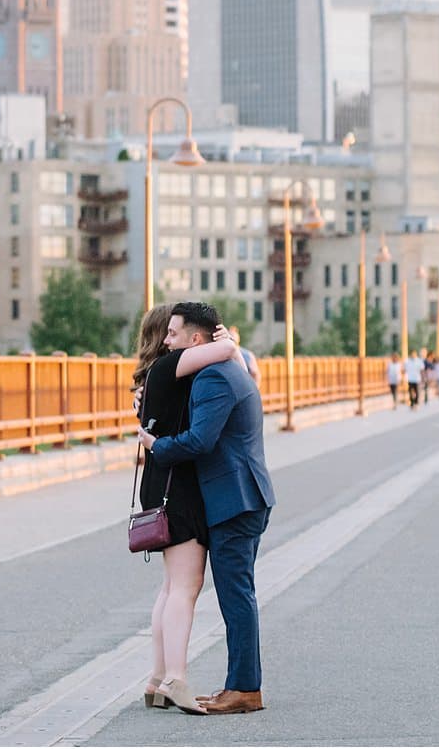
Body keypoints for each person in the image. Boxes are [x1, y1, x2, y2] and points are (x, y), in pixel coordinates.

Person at [139, 301, 275, 715]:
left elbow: (200, 442)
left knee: (235, 595)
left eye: (174, 334)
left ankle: (244, 688)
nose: (167, 341)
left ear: (196, 340)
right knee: (225, 592)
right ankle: (225, 684)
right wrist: (231, 344)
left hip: (234, 498)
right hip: (232, 494)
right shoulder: (215, 369)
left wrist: (157, 446)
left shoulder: (215, 376)